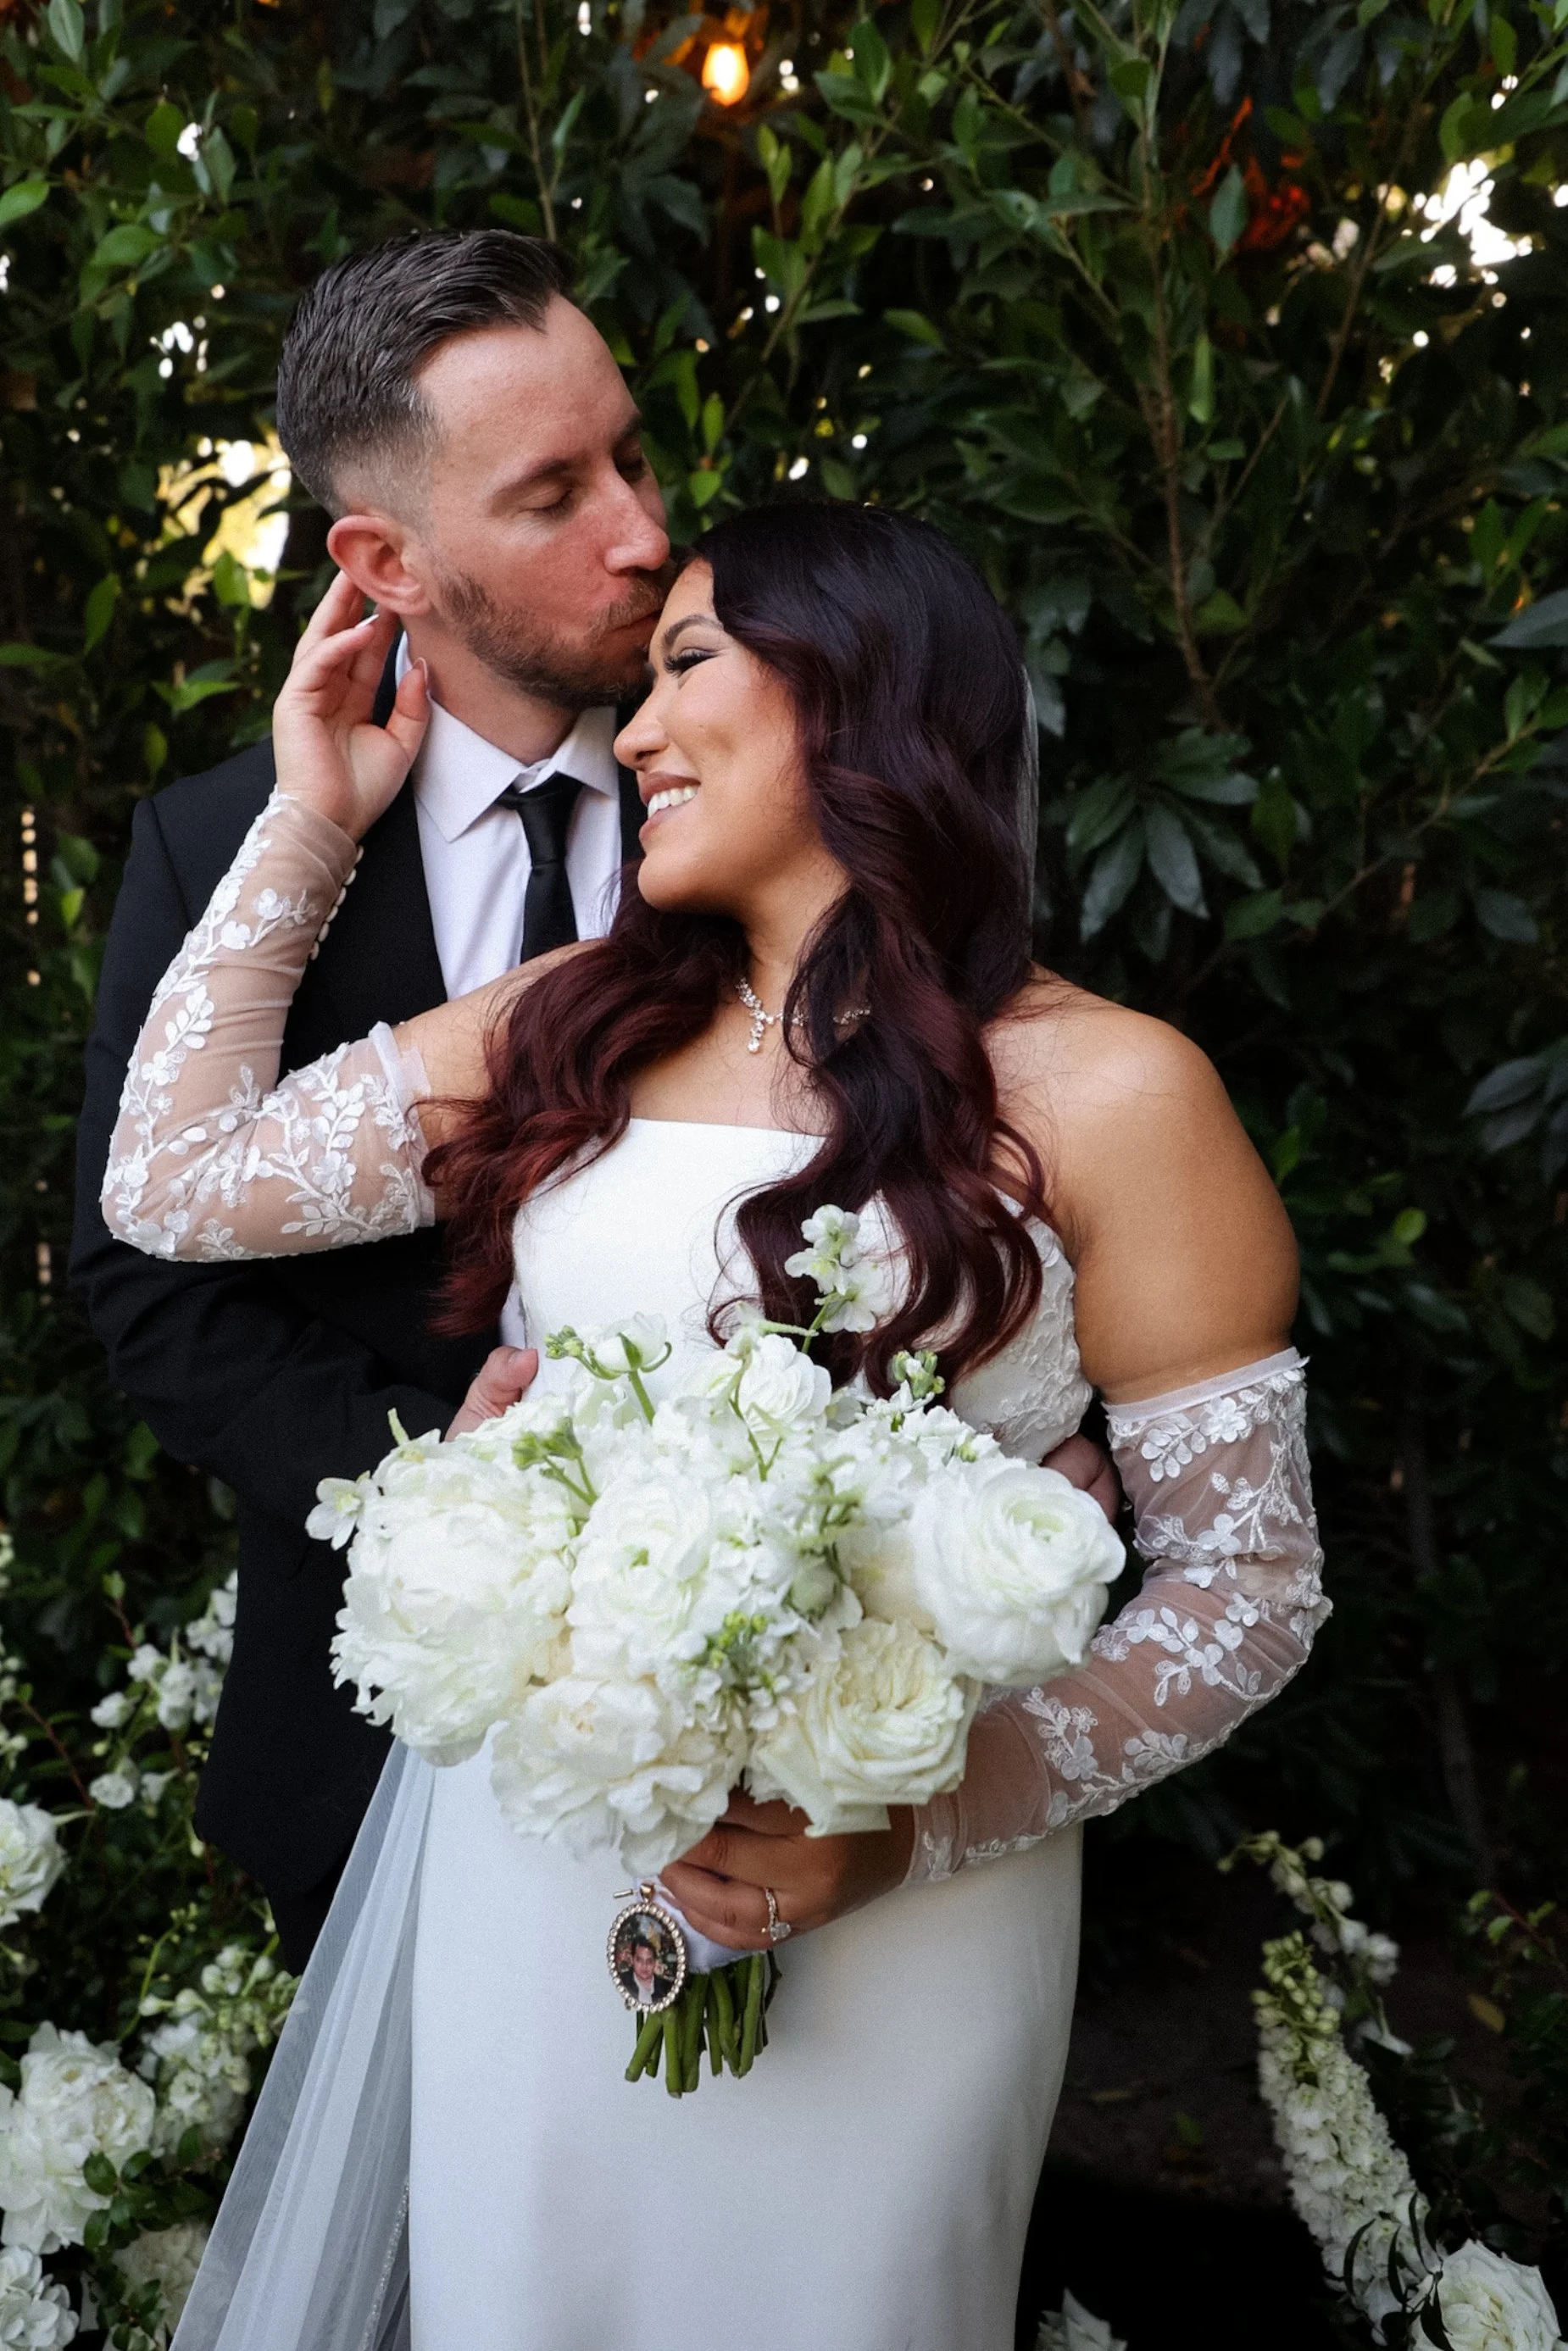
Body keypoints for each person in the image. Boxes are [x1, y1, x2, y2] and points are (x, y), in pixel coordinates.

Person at [107, 502, 1326, 2351]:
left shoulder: (1114, 1090)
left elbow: (1248, 1585)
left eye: (687, 670)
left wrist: (920, 1817)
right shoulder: (566, 1030)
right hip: (536, 1862)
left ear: (860, 701)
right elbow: (174, 1184)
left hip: (903, 1890)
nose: (640, 733)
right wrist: (312, 813)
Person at [73, 228, 1111, 1976]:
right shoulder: (222, 845)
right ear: (383, 559)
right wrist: (480, 1510)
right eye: (554, 492)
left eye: (631, 453)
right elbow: (149, 1273)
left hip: (832, 1773)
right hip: (375, 1725)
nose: (641, 528)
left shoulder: (815, 796)